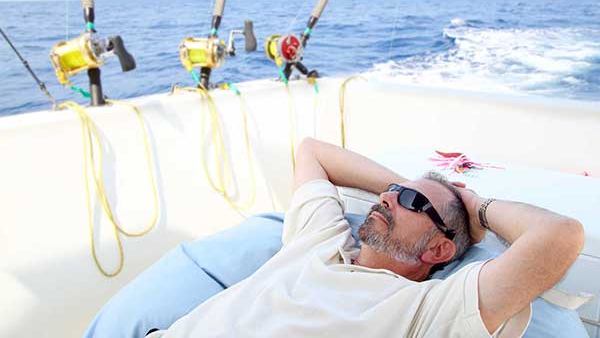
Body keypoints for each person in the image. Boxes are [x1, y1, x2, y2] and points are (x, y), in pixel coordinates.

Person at [151, 138, 585, 337]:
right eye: (389, 193)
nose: (386, 198)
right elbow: (312, 151)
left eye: (409, 200)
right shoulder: (320, 240)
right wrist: (409, 187)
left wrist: (476, 208)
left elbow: (561, 236)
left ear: (439, 249)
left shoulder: (428, 311)